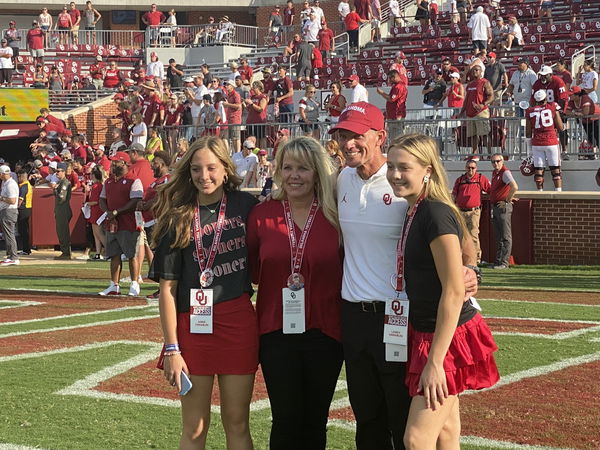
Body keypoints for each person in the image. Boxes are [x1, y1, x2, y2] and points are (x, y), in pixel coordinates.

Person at [329, 103, 478, 450]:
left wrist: (471, 273)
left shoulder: (406, 182)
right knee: (367, 418)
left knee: (406, 423)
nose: (347, 142)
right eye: (342, 135)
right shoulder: (340, 179)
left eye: (356, 134)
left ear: (380, 136)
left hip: (400, 318)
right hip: (354, 316)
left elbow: (464, 245)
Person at [385, 134, 499, 449]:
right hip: (427, 331)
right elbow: (465, 253)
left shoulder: (434, 212)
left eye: (404, 167)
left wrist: (435, 361)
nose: (395, 174)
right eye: (391, 166)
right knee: (446, 433)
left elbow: (452, 291)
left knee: (416, 438)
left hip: (446, 338)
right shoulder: (415, 209)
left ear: (428, 170)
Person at [149, 136, 258, 449]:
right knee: (194, 427)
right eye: (196, 169)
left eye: (212, 167)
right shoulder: (177, 215)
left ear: (225, 169)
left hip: (237, 322)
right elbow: (167, 290)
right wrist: (171, 348)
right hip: (192, 327)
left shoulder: (247, 207)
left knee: (237, 422)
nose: (204, 175)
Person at [246, 136, 343, 450]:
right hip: (276, 331)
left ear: (317, 172)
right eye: (287, 168)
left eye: (303, 168)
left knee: (315, 420)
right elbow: (250, 270)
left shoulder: (336, 216)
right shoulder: (261, 215)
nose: (294, 175)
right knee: (286, 419)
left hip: (326, 331)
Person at [98, 151, 144, 296]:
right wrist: (108, 213)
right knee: (114, 254)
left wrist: (117, 212)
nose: (112, 164)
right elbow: (102, 199)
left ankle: (135, 283)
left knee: (131, 254)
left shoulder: (133, 180)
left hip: (128, 222)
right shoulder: (109, 181)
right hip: (113, 222)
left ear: (124, 163)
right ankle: (114, 284)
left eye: (116, 161)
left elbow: (135, 201)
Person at [452, 160, 490, 264]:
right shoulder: (460, 180)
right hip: (461, 212)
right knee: (461, 235)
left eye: (473, 168)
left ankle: (476, 259)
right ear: (465, 168)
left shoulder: (480, 178)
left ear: (476, 169)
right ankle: (462, 258)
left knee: (473, 235)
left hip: (474, 212)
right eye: (468, 167)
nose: (470, 170)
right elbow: (454, 195)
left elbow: (491, 190)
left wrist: (507, 197)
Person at [526, 90, 564, 191]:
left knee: (538, 170)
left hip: (537, 143)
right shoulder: (552, 107)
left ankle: (539, 192)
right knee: (555, 169)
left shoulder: (530, 111)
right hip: (551, 141)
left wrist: (529, 149)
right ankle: (558, 191)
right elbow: (560, 127)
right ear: (545, 98)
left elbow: (528, 132)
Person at [489, 154, 518, 269]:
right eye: (493, 162)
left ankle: (504, 263)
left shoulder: (505, 172)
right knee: (499, 236)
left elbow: (514, 187)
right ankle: (498, 261)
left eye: (498, 161)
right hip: (496, 206)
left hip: (502, 207)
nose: (495, 164)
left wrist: (507, 200)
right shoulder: (495, 173)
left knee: (505, 236)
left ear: (502, 161)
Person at [460, 65, 494, 158]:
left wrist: (483, 104)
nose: (474, 72)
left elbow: (491, 96)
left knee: (484, 134)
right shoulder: (470, 84)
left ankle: (489, 154)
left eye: (476, 70)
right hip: (470, 113)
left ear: (481, 71)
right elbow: (466, 100)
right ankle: (475, 154)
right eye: (473, 70)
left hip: (481, 112)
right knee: (473, 135)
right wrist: (462, 111)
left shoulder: (485, 82)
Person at [377, 69, 408, 137]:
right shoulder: (397, 86)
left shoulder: (398, 87)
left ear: (394, 77)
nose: (389, 80)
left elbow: (391, 99)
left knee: (397, 138)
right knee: (394, 137)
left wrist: (381, 93)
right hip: (394, 115)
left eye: (390, 78)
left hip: (396, 116)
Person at [0, 165, 19, 266]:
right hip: (6, 211)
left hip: (9, 211)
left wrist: (1, 198)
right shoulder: (6, 183)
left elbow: (12, 200)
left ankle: (14, 257)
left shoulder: (10, 184)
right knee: (7, 235)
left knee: (9, 234)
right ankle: (10, 255)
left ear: (2, 174)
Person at [87, 166, 107, 259]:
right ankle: (98, 253)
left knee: (99, 233)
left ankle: (109, 250)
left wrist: (86, 204)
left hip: (96, 211)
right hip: (95, 211)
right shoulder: (97, 185)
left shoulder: (97, 186)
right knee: (96, 233)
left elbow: (95, 201)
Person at [53, 162, 72, 260]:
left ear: (63, 172)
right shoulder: (62, 182)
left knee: (63, 231)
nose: (57, 173)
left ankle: (66, 252)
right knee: (61, 231)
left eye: (58, 171)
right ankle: (65, 251)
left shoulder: (64, 182)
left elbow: (61, 198)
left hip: (63, 209)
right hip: (61, 209)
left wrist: (55, 190)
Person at [16, 170, 33, 256]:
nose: (18, 178)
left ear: (23, 176)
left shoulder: (24, 186)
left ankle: (26, 250)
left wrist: (16, 208)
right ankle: (26, 249)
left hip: (24, 209)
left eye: (19, 176)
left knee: (23, 230)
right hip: (26, 208)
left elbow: (20, 199)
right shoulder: (25, 185)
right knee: (23, 230)